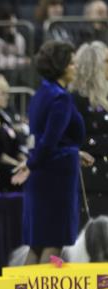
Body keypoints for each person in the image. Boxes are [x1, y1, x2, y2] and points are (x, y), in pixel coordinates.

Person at [12, 41, 94, 264]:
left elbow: (48, 139)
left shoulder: (41, 93)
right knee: (53, 242)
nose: (76, 68)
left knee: (37, 244)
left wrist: (73, 152)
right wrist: (31, 164)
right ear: (61, 66)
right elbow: (49, 141)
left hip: (43, 176)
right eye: (73, 63)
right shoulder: (61, 97)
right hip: (56, 178)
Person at [70, 41, 108, 216]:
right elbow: (72, 140)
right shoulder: (76, 100)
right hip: (91, 180)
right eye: (106, 61)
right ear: (95, 66)